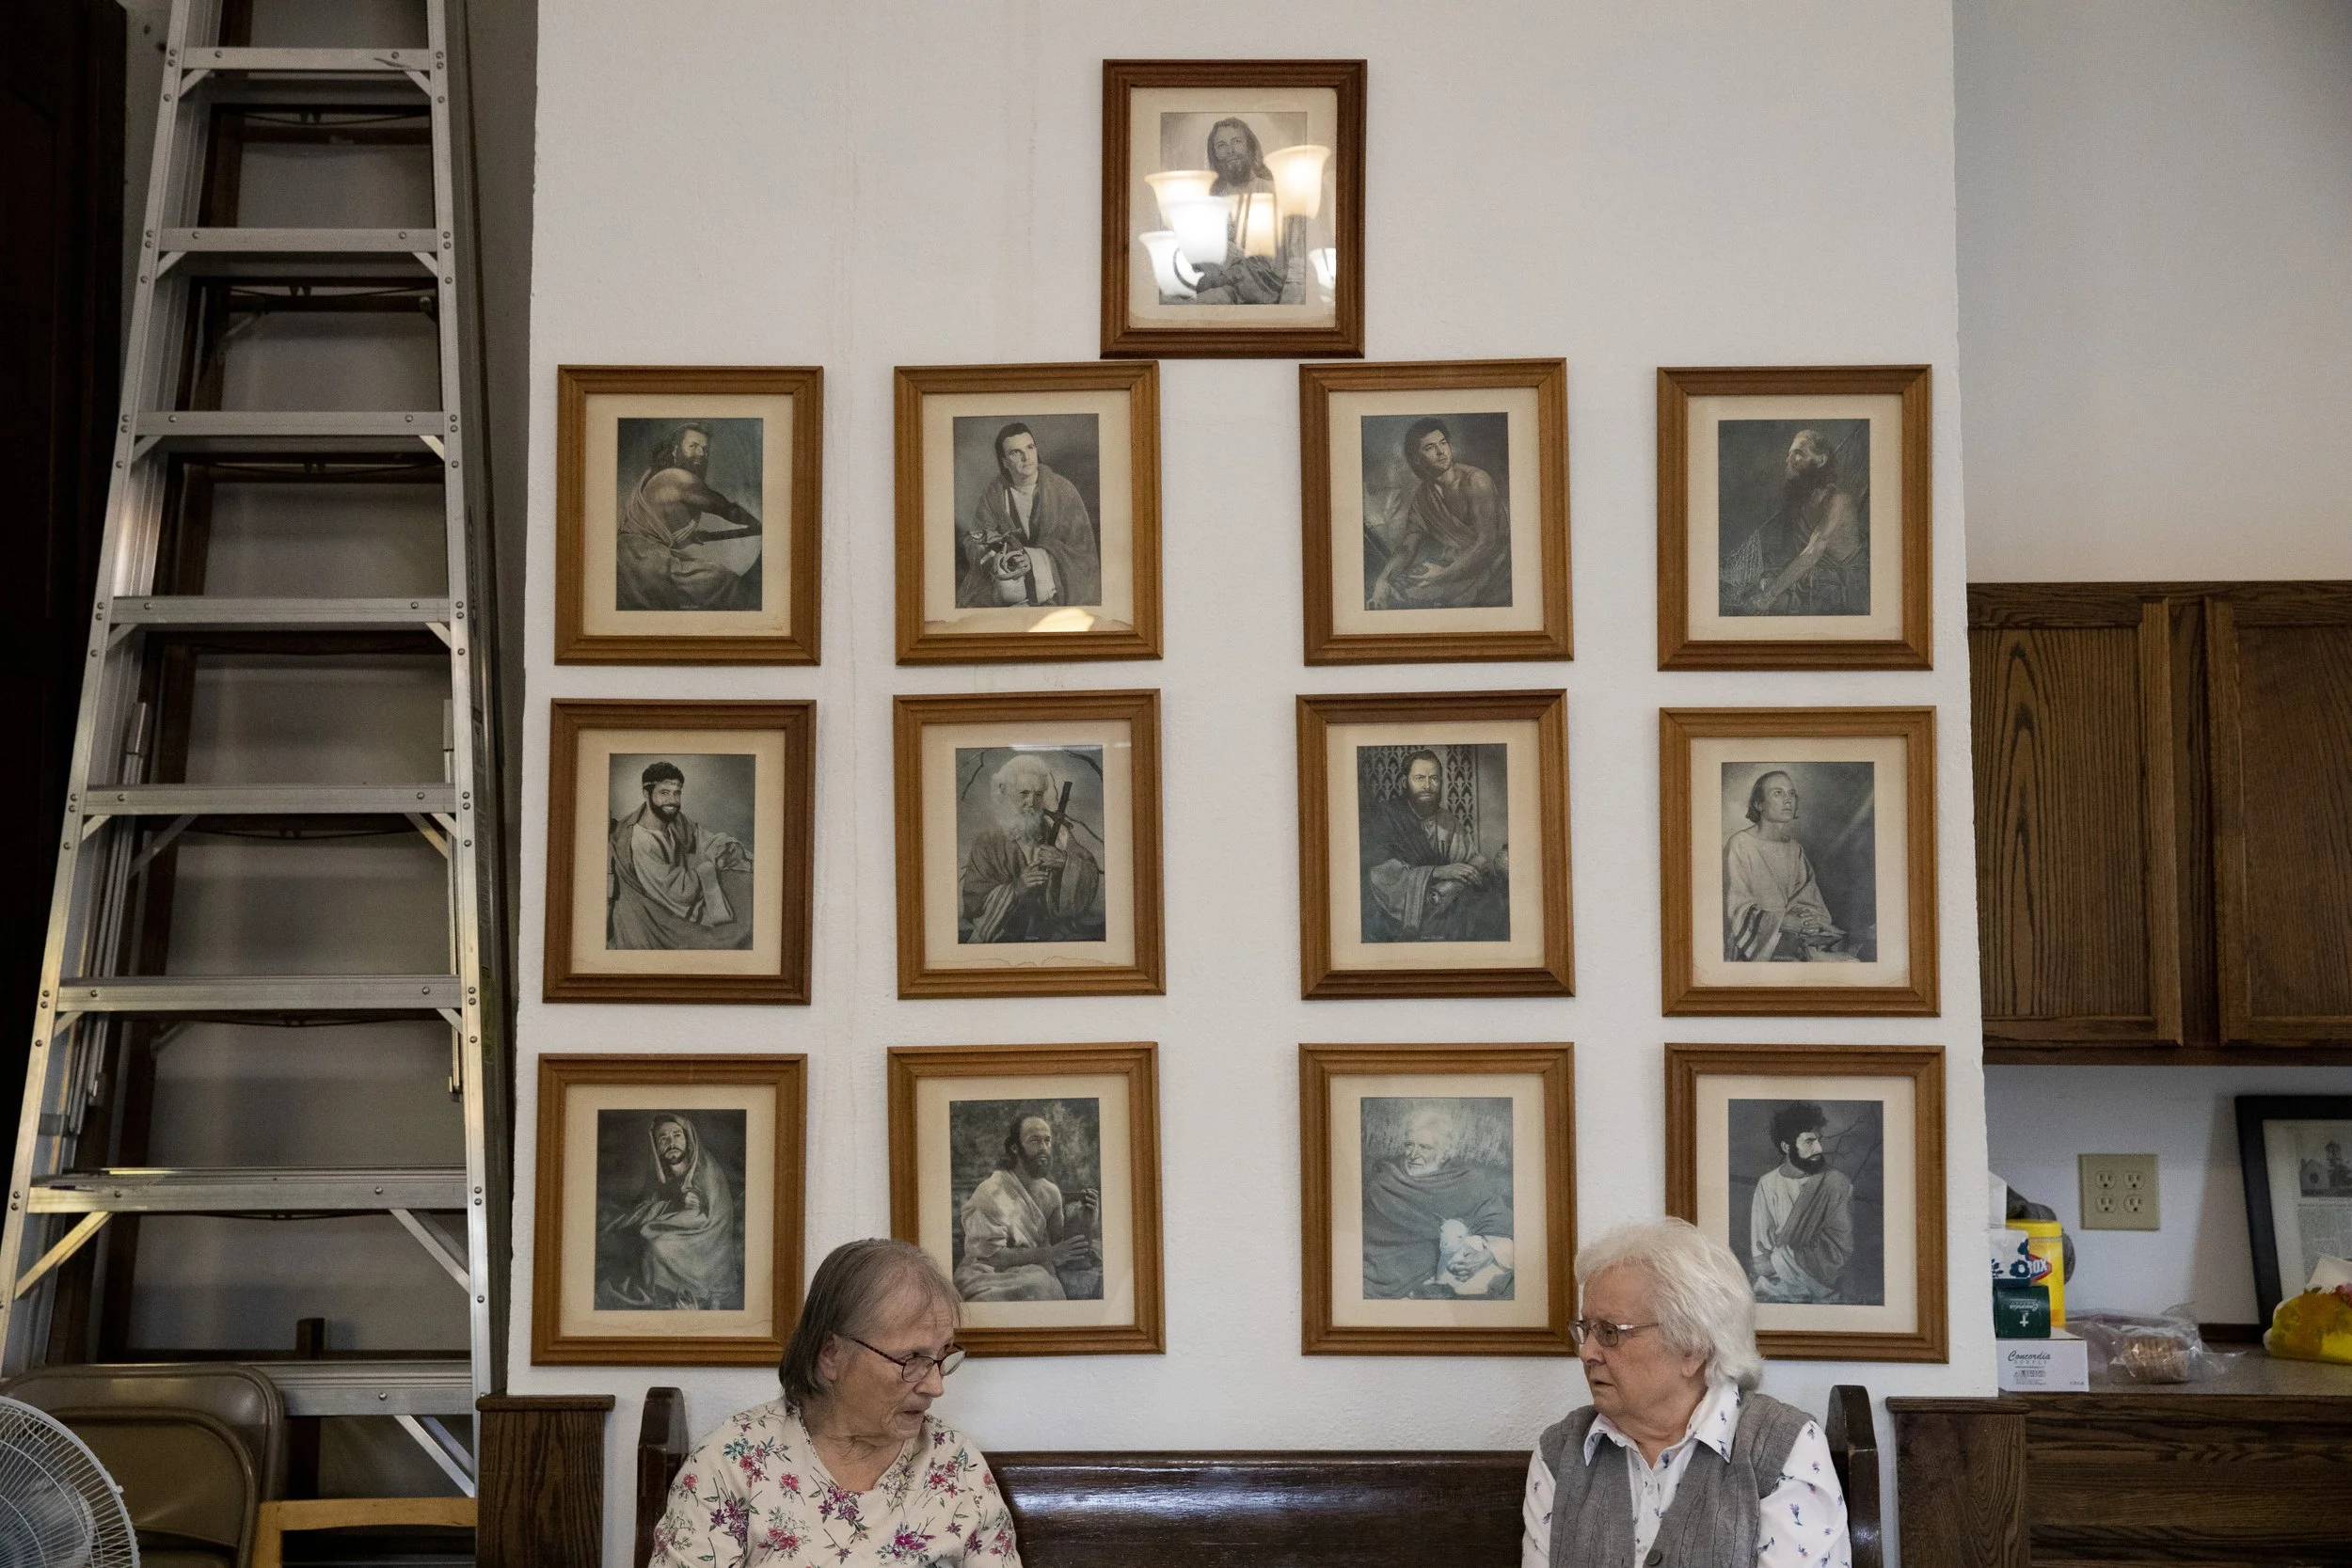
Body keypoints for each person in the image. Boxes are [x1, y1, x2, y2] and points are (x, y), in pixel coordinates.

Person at [649, 1238, 1021, 1567]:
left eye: (942, 1355)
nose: (936, 1386)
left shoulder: (956, 1465)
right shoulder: (731, 1465)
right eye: (911, 1359)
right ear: (831, 1354)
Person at [1522, 1218, 1851, 1568]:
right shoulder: (1561, 1452)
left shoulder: (1781, 1446)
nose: (1587, 1352)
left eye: (1609, 1331)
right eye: (1585, 1329)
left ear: (1692, 1347)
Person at [1361, 1105, 1515, 1299]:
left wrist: (1487, 1256)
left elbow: (1503, 1225)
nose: (1413, 1154)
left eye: (1425, 1147)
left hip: (1437, 1279)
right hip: (1368, 1270)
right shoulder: (1385, 1178)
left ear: (1444, 1152)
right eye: (1409, 1145)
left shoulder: (1466, 1182)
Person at [1359, 750, 1509, 942]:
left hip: (1444, 904)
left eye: (1434, 779)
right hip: (1400, 913)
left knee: (1493, 905)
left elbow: (1469, 860)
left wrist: (1474, 866)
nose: (1427, 786)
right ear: (1405, 783)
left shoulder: (1447, 820)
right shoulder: (1386, 818)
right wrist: (1437, 872)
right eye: (1419, 778)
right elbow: (1379, 875)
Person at [596, 1113, 742, 1309]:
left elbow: (705, 1218)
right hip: (683, 1224)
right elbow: (658, 1200)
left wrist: (655, 1225)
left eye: (676, 1135)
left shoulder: (703, 1170)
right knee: (633, 1228)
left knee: (655, 1245)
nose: (670, 1142)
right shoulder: (666, 1172)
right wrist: (651, 1215)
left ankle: (667, 1292)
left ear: (688, 1140)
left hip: (706, 1241)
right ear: (656, 1147)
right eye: (663, 1138)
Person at [616, 421, 764, 611]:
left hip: (632, 558)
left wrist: (686, 537)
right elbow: (728, 509)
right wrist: (759, 524)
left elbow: (655, 527)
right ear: (676, 450)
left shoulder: (659, 475)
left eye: (705, 449)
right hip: (643, 561)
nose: (701, 454)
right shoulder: (680, 478)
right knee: (727, 582)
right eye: (693, 446)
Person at [1367, 419, 1512, 610]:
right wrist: (1382, 580)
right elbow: (1408, 548)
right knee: (1394, 594)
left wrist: (1442, 575)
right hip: (1460, 567)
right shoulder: (1423, 498)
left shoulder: (1475, 481)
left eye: (1443, 443)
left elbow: (1488, 543)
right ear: (1417, 458)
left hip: (1500, 568)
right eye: (1430, 447)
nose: (1441, 451)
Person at [955, 1113, 1101, 1302]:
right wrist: (1051, 1253)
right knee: (1036, 1285)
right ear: (1015, 1147)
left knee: (1039, 1282)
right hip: (988, 1271)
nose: (1044, 1148)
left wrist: (1089, 1216)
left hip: (1034, 1268)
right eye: (1035, 1141)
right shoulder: (990, 1192)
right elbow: (993, 1257)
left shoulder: (1051, 1192)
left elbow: (1061, 1241)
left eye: (1047, 1141)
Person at [959, 753, 1104, 943]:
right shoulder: (987, 842)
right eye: (1023, 793)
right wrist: (1016, 889)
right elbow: (974, 902)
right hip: (1005, 938)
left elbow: (1089, 870)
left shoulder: (1057, 833)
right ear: (1005, 793)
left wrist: (1065, 862)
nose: (1031, 803)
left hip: (1054, 934)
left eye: (1038, 795)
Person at [609, 761, 754, 950]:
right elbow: (678, 891)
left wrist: (726, 849)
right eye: (664, 793)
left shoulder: (673, 818)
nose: (673, 800)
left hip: (673, 905)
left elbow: (701, 837)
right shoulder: (640, 842)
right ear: (646, 794)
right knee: (732, 934)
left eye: (677, 793)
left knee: (748, 884)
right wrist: (714, 871)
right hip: (654, 919)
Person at [956, 422, 1102, 610]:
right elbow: (976, 540)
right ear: (1004, 462)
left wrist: (1034, 560)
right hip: (1008, 584)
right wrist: (997, 557)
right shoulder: (994, 495)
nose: (1026, 457)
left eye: (1030, 447)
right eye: (1015, 452)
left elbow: (1081, 551)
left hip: (1057, 586)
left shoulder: (1062, 490)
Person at [1727, 427, 1867, 617]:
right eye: (1789, 454)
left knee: (1763, 607)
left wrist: (1767, 595)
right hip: (1812, 575)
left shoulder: (1838, 500)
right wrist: (1770, 578)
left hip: (1843, 584)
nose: (1789, 461)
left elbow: (1811, 553)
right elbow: (1793, 552)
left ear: (1821, 460)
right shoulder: (1800, 502)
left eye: (1798, 453)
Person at [1722, 770, 1849, 962]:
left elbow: (1808, 901)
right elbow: (1737, 909)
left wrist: (1810, 922)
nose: (1788, 800)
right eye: (1778, 793)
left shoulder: (1795, 849)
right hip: (1754, 949)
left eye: (1791, 794)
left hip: (1794, 943)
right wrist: (1781, 922)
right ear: (1759, 804)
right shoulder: (1740, 844)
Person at [1748, 1103, 1856, 1304]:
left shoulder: (1836, 1184)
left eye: (1819, 1140)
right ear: (1786, 1147)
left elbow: (1839, 1253)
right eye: (1809, 1141)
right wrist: (1777, 1264)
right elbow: (1760, 1257)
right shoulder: (1767, 1184)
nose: (1819, 1148)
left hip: (1825, 1294)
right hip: (1774, 1291)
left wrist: (1778, 1262)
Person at [1182, 117, 1292, 306]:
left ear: (1250, 146)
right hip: (1213, 287)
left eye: (1237, 142)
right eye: (1221, 146)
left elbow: (1275, 266)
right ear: (1215, 154)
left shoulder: (1271, 191)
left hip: (1254, 293)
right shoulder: (1210, 199)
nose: (1230, 151)